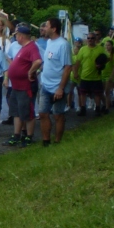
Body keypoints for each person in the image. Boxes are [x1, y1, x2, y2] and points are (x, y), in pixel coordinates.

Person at [3, 24, 41, 147]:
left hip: (26, 86)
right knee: (16, 112)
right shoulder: (23, 48)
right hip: (16, 86)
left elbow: (38, 61)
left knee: (28, 112)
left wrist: (30, 72)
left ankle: (29, 136)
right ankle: (17, 135)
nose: (16, 38)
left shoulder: (31, 47)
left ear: (21, 36)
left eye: (17, 36)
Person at [38, 18, 73, 146]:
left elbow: (68, 67)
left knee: (58, 115)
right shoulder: (48, 43)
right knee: (42, 113)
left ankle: (58, 141)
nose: (43, 29)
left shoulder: (63, 44)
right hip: (45, 85)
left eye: (46, 26)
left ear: (54, 29)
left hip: (58, 86)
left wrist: (61, 88)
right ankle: (46, 140)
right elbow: (48, 62)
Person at [73, 32, 108, 116]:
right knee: (83, 93)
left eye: (92, 38)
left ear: (95, 39)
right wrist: (75, 72)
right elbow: (77, 62)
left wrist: (101, 64)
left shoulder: (100, 49)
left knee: (97, 94)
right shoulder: (83, 49)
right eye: (88, 38)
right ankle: (83, 108)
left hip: (96, 77)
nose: (90, 40)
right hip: (85, 76)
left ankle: (98, 109)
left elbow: (106, 58)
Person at [102, 39, 114, 113]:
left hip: (109, 75)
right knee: (101, 92)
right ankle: (105, 104)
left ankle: (107, 107)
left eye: (108, 45)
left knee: (107, 91)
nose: (107, 47)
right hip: (102, 74)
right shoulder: (104, 54)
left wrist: (112, 75)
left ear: (112, 46)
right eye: (106, 45)